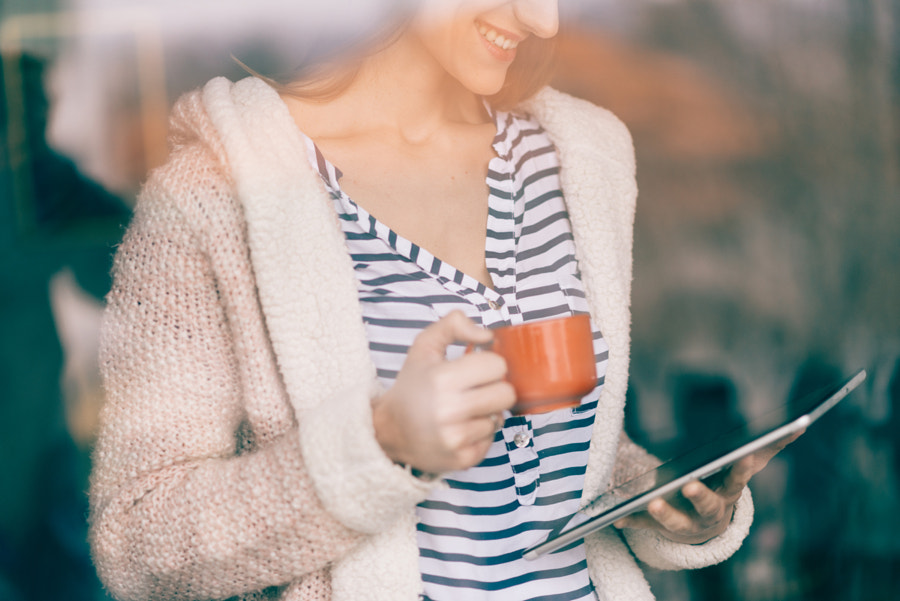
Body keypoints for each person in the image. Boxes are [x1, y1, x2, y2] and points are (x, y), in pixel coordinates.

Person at [88, 2, 794, 600]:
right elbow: (136, 541)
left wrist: (662, 497)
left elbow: (552, 454)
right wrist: (381, 446)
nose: (543, 21)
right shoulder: (213, 196)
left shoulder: (582, 160)